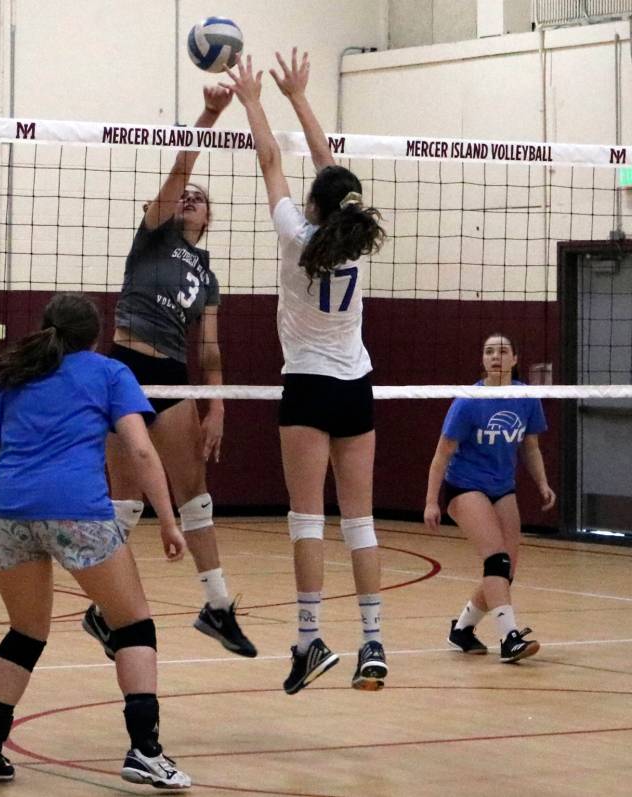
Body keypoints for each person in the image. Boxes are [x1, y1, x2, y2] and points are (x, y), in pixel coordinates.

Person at [0, 293, 191, 790]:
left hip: (7, 511)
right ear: (95, 334)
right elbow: (142, 453)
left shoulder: (12, 374)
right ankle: (145, 752)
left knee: (25, 633)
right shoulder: (109, 374)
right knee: (133, 627)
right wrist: (170, 521)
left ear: (47, 328)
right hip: (75, 509)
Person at [223, 51, 389, 693]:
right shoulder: (352, 241)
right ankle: (372, 644)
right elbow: (330, 169)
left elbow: (272, 161)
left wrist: (255, 100)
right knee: (361, 522)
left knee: (305, 518)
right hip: (356, 385)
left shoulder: (297, 235)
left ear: (314, 206)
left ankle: (309, 638)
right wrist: (299, 97)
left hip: (309, 385)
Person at [83, 84, 257, 661]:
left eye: (201, 199)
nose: (192, 198)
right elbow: (183, 165)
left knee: (194, 494)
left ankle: (217, 604)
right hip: (126, 367)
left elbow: (208, 347)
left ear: (208, 220)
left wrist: (219, 404)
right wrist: (210, 113)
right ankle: (104, 607)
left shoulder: (207, 277)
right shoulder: (152, 235)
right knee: (125, 500)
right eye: (189, 194)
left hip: (175, 376)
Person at [424, 333, 555, 663]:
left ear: (514, 359)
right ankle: (509, 638)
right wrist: (430, 501)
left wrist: (542, 483)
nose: (495, 356)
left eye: (503, 351)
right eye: (488, 351)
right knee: (495, 559)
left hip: (502, 486)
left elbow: (531, 446)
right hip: (465, 486)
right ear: (482, 360)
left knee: (505, 570)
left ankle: (463, 630)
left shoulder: (526, 396)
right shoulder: (468, 401)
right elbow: (441, 455)